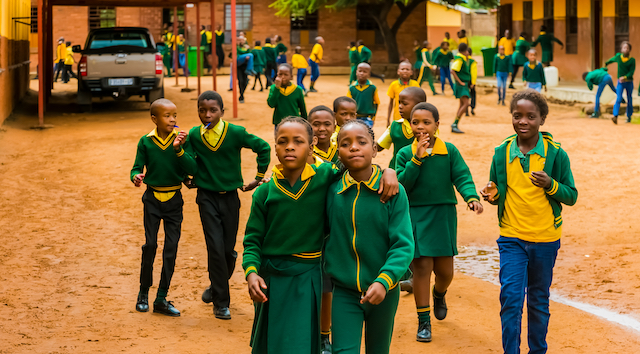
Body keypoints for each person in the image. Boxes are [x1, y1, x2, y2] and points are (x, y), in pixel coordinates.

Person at [242, 117, 399, 354]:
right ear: (274, 147)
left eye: (298, 141)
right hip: (271, 278)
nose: (290, 147)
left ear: (312, 145)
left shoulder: (324, 175)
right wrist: (251, 272)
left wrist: (388, 171)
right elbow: (252, 240)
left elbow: (357, 164)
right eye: (282, 142)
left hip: (309, 275)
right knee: (271, 341)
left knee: (303, 341)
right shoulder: (264, 193)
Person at [480, 90, 578, 354]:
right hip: (512, 238)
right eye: (517, 116)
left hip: (545, 239)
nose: (523, 121)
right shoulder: (502, 152)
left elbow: (571, 196)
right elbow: (496, 188)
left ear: (542, 120)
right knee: (511, 298)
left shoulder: (556, 154)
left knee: (538, 299)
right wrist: (492, 194)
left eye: (530, 116)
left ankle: (538, 350)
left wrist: (551, 184)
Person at [172, 90, 271, 320]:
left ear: (222, 112)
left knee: (227, 250)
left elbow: (263, 147)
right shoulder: (195, 136)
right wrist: (179, 150)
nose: (207, 114)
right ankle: (221, 302)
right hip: (206, 198)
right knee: (215, 248)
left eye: (213, 110)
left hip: (230, 199)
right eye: (202, 110)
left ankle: (216, 285)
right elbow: (191, 167)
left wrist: (258, 176)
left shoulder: (236, 132)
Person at [396, 102, 483, 342]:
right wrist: (416, 159)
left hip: (443, 215)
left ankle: (439, 293)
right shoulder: (405, 153)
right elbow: (402, 186)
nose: (421, 127)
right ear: (409, 125)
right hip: (415, 215)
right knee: (422, 268)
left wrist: (471, 197)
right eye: (415, 122)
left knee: (445, 272)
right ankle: (424, 321)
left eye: (426, 122)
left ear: (437, 125)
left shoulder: (450, 151)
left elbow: (462, 176)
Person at [325, 119, 414, 354]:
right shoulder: (331, 190)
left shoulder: (393, 191)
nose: (354, 147)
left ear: (375, 149)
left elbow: (403, 244)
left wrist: (384, 280)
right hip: (344, 290)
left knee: (378, 349)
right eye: (346, 144)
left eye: (361, 142)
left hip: (385, 290)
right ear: (338, 152)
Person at [131, 99, 186, 317]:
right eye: (167, 116)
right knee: (150, 245)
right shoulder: (145, 142)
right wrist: (135, 176)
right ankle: (143, 292)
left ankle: (161, 298)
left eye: (175, 115)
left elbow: (191, 167)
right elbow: (136, 167)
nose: (173, 120)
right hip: (152, 199)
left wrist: (180, 149)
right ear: (154, 119)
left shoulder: (180, 140)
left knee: (170, 250)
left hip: (174, 201)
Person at [378, 87, 427, 168]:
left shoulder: (428, 128)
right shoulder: (395, 126)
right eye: (399, 103)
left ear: (419, 105)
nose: (400, 106)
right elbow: (379, 146)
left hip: (419, 170)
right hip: (397, 171)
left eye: (404, 104)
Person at [267, 63, 307, 128]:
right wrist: (277, 88)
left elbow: (303, 109)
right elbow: (271, 104)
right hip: (279, 123)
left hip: (294, 123)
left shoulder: (297, 90)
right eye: (280, 74)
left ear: (291, 77)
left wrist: (305, 123)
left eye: (286, 75)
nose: (282, 77)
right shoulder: (273, 88)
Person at [606, 41, 635, 124]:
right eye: (624, 48)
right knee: (618, 98)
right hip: (620, 83)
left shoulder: (632, 60)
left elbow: (631, 72)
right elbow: (610, 60)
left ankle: (629, 116)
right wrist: (606, 64)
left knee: (629, 99)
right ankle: (615, 116)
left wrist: (625, 77)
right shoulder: (618, 57)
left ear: (629, 50)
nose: (626, 49)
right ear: (621, 49)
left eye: (627, 48)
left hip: (629, 82)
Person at [385, 61, 419, 127]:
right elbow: (391, 103)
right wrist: (388, 119)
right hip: (398, 118)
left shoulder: (415, 84)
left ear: (411, 72)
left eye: (407, 69)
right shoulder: (393, 85)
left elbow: (418, 102)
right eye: (402, 69)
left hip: (412, 118)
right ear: (398, 71)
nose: (405, 71)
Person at [347, 63, 380, 128]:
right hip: (355, 117)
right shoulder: (352, 88)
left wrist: (373, 117)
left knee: (366, 134)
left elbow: (376, 103)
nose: (362, 73)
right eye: (360, 71)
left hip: (368, 118)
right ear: (356, 72)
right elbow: (348, 104)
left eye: (365, 72)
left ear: (369, 74)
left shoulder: (372, 88)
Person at [450, 43, 472, 134]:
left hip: (463, 85)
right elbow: (453, 71)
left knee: (461, 104)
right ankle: (454, 124)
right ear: (465, 51)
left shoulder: (462, 59)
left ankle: (455, 124)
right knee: (466, 104)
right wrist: (460, 82)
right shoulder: (459, 60)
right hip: (462, 85)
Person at [467, 48, 478, 116]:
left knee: (466, 96)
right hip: (470, 81)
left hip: (464, 81)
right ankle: (472, 108)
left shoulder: (463, 60)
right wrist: (473, 83)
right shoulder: (472, 61)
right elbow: (474, 73)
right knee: (473, 95)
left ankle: (466, 111)